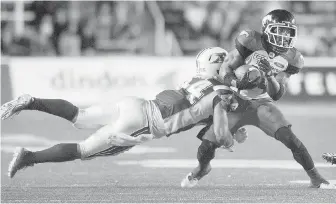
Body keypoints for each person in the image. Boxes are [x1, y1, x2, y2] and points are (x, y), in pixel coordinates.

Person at [2, 47, 256, 179]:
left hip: (134, 104)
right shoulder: (222, 93)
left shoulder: (195, 81)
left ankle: (32, 101)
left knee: (80, 116)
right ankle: (28, 157)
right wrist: (233, 135)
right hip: (144, 123)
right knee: (83, 150)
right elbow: (212, 129)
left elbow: (202, 118)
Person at [181, 9, 334, 189]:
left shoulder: (292, 58)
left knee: (289, 138)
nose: (284, 37)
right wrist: (237, 84)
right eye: (279, 31)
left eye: (288, 33)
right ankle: (202, 168)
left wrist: (269, 75)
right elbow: (225, 69)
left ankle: (315, 177)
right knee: (208, 145)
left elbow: (276, 94)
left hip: (261, 102)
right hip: (236, 100)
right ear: (267, 30)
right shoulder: (250, 41)